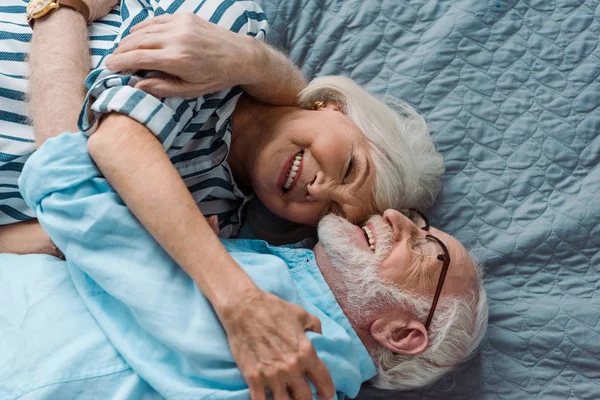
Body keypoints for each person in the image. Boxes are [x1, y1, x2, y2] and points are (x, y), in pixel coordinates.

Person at [0, 0, 443, 397]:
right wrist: (235, 296)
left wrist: (72, 235)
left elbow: (51, 228)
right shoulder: (231, 32)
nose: (319, 189)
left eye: (330, 213)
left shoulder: (217, 221)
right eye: (349, 167)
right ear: (335, 108)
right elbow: (114, 139)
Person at [0, 131, 488, 399]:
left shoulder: (288, 345)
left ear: (401, 334)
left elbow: (74, 195)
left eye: (426, 250)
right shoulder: (278, 277)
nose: (398, 219)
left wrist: (57, 12)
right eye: (422, 223)